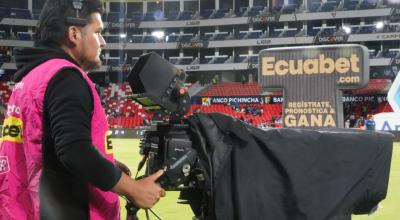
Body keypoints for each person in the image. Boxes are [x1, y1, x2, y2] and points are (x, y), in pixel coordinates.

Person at [0, 0, 165, 219]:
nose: (103, 42)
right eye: (98, 32)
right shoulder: (66, 77)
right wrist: (134, 189)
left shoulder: (32, 78)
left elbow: (46, 146)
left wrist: (109, 165)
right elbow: (73, 150)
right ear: (74, 34)